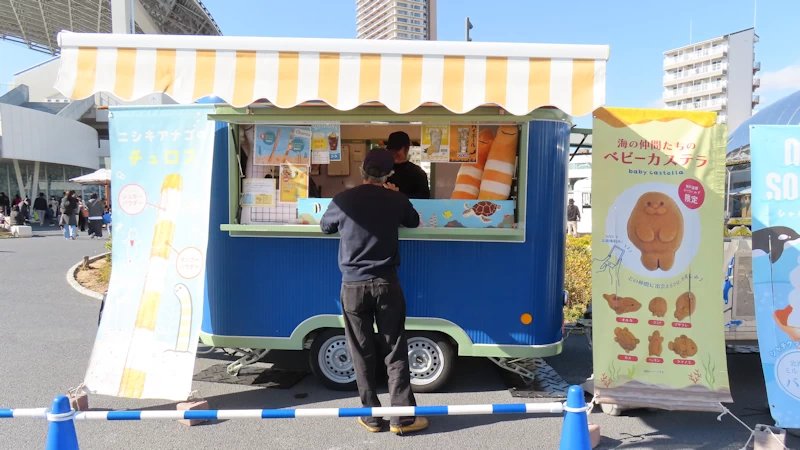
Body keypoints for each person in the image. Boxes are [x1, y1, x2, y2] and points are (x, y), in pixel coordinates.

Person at [320, 148, 428, 435]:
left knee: (361, 351)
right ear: (388, 175)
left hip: (353, 285)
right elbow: (414, 221)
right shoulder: (396, 199)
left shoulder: (343, 199)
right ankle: (402, 419)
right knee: (394, 348)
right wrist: (395, 194)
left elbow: (325, 227)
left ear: (362, 171)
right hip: (386, 283)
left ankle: (371, 417)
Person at [385, 131, 430, 199]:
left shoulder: (417, 173)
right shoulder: (383, 170)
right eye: (391, 150)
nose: (394, 153)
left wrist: (398, 194)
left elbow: (424, 197)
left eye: (397, 149)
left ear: (407, 149)